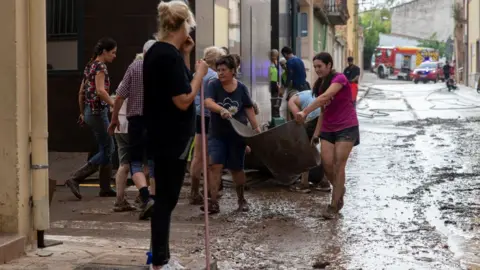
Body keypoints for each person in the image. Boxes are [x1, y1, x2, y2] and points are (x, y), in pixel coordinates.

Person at [143, 1, 208, 269]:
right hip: (170, 137)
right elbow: (183, 99)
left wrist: (187, 57)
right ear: (184, 25)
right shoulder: (166, 56)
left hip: (164, 135)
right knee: (166, 201)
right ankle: (160, 261)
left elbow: (179, 82)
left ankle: (159, 256)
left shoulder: (163, 53)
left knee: (165, 200)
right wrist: (201, 74)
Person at [295, 52, 359, 219]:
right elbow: (324, 110)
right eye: (315, 67)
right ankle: (339, 188)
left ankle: (333, 204)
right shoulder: (319, 84)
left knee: (339, 164)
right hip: (328, 128)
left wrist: (305, 112)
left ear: (329, 65)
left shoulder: (340, 79)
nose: (316, 69)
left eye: (319, 66)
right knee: (326, 163)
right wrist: (316, 133)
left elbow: (325, 97)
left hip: (346, 126)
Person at [204, 55, 261, 214]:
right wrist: (220, 109)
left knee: (236, 168)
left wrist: (256, 130)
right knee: (215, 166)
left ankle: (241, 199)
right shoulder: (213, 85)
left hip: (237, 135)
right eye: (218, 70)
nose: (220, 73)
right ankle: (213, 201)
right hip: (217, 134)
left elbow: (249, 108)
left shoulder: (241, 88)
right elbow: (208, 102)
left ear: (233, 71)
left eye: (224, 70)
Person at [108, 40, 156, 220]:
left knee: (134, 162)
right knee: (151, 163)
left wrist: (113, 119)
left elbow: (119, 95)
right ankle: (154, 200)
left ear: (143, 51)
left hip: (136, 121)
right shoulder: (163, 69)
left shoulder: (135, 67)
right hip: (156, 121)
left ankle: (145, 196)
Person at [65, 37, 117, 199]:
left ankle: (105, 188)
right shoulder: (100, 67)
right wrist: (115, 104)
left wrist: (82, 112)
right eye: (113, 53)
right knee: (109, 148)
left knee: (104, 147)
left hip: (89, 112)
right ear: (104, 52)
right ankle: (76, 177)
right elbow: (101, 91)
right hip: (97, 113)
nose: (115, 56)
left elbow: (81, 92)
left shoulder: (90, 65)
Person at [189, 46, 226, 205]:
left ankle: (194, 192)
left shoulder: (198, 74)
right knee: (211, 157)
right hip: (211, 117)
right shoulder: (215, 77)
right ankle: (210, 192)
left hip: (198, 116)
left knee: (197, 156)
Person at [287, 90, 331, 193]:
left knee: (305, 150)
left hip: (314, 117)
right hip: (326, 115)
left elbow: (299, 119)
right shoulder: (307, 92)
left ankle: (304, 183)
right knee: (326, 150)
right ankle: (325, 182)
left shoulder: (291, 100)